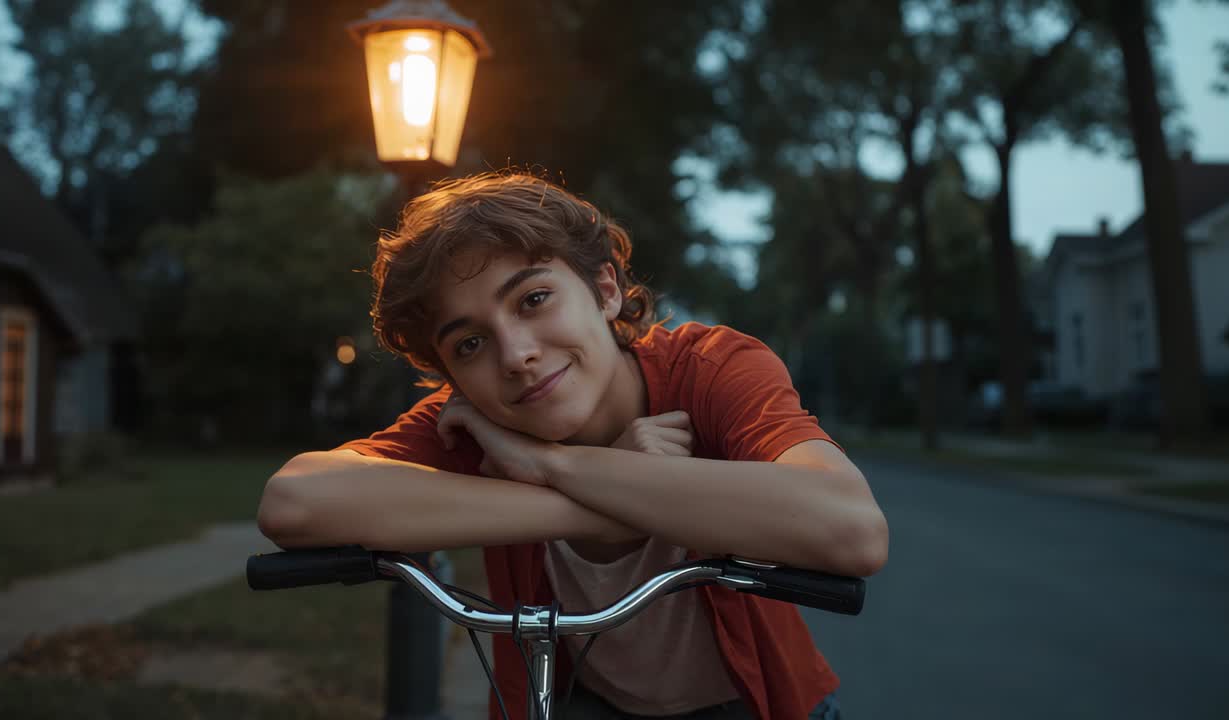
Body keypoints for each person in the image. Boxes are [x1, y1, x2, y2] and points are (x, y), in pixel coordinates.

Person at [257, 172, 888, 720]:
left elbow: (851, 528)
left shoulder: (709, 369)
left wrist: (548, 465)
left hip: (762, 705)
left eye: (533, 299)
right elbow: (295, 502)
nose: (516, 355)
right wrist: (595, 498)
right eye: (469, 344)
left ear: (606, 290)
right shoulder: (477, 422)